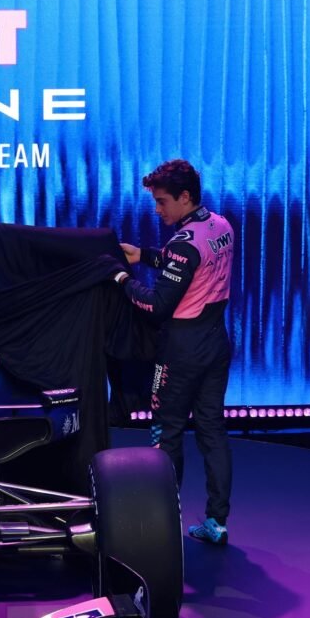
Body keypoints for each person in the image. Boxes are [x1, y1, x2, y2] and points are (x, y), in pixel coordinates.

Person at [108, 159, 234, 545]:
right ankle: (217, 522)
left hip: (180, 351)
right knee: (212, 430)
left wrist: (122, 279)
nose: (157, 209)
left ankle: (163, 530)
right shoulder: (221, 225)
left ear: (185, 197)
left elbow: (157, 305)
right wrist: (143, 255)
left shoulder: (183, 243)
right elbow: (190, 263)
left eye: (162, 202)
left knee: (166, 432)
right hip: (216, 342)